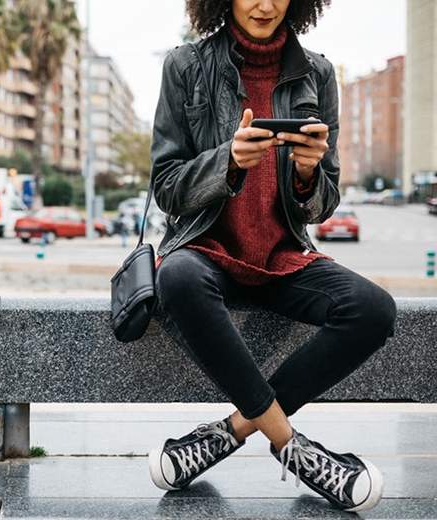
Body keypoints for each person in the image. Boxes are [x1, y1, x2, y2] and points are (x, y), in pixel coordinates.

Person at [146, 0, 397, 513]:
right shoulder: (186, 66)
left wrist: (308, 173)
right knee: (176, 275)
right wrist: (228, 161)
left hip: (284, 258)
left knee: (375, 309)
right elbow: (166, 187)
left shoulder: (318, 74)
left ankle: (229, 432)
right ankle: (294, 449)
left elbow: (323, 203)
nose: (265, 4)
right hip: (206, 252)